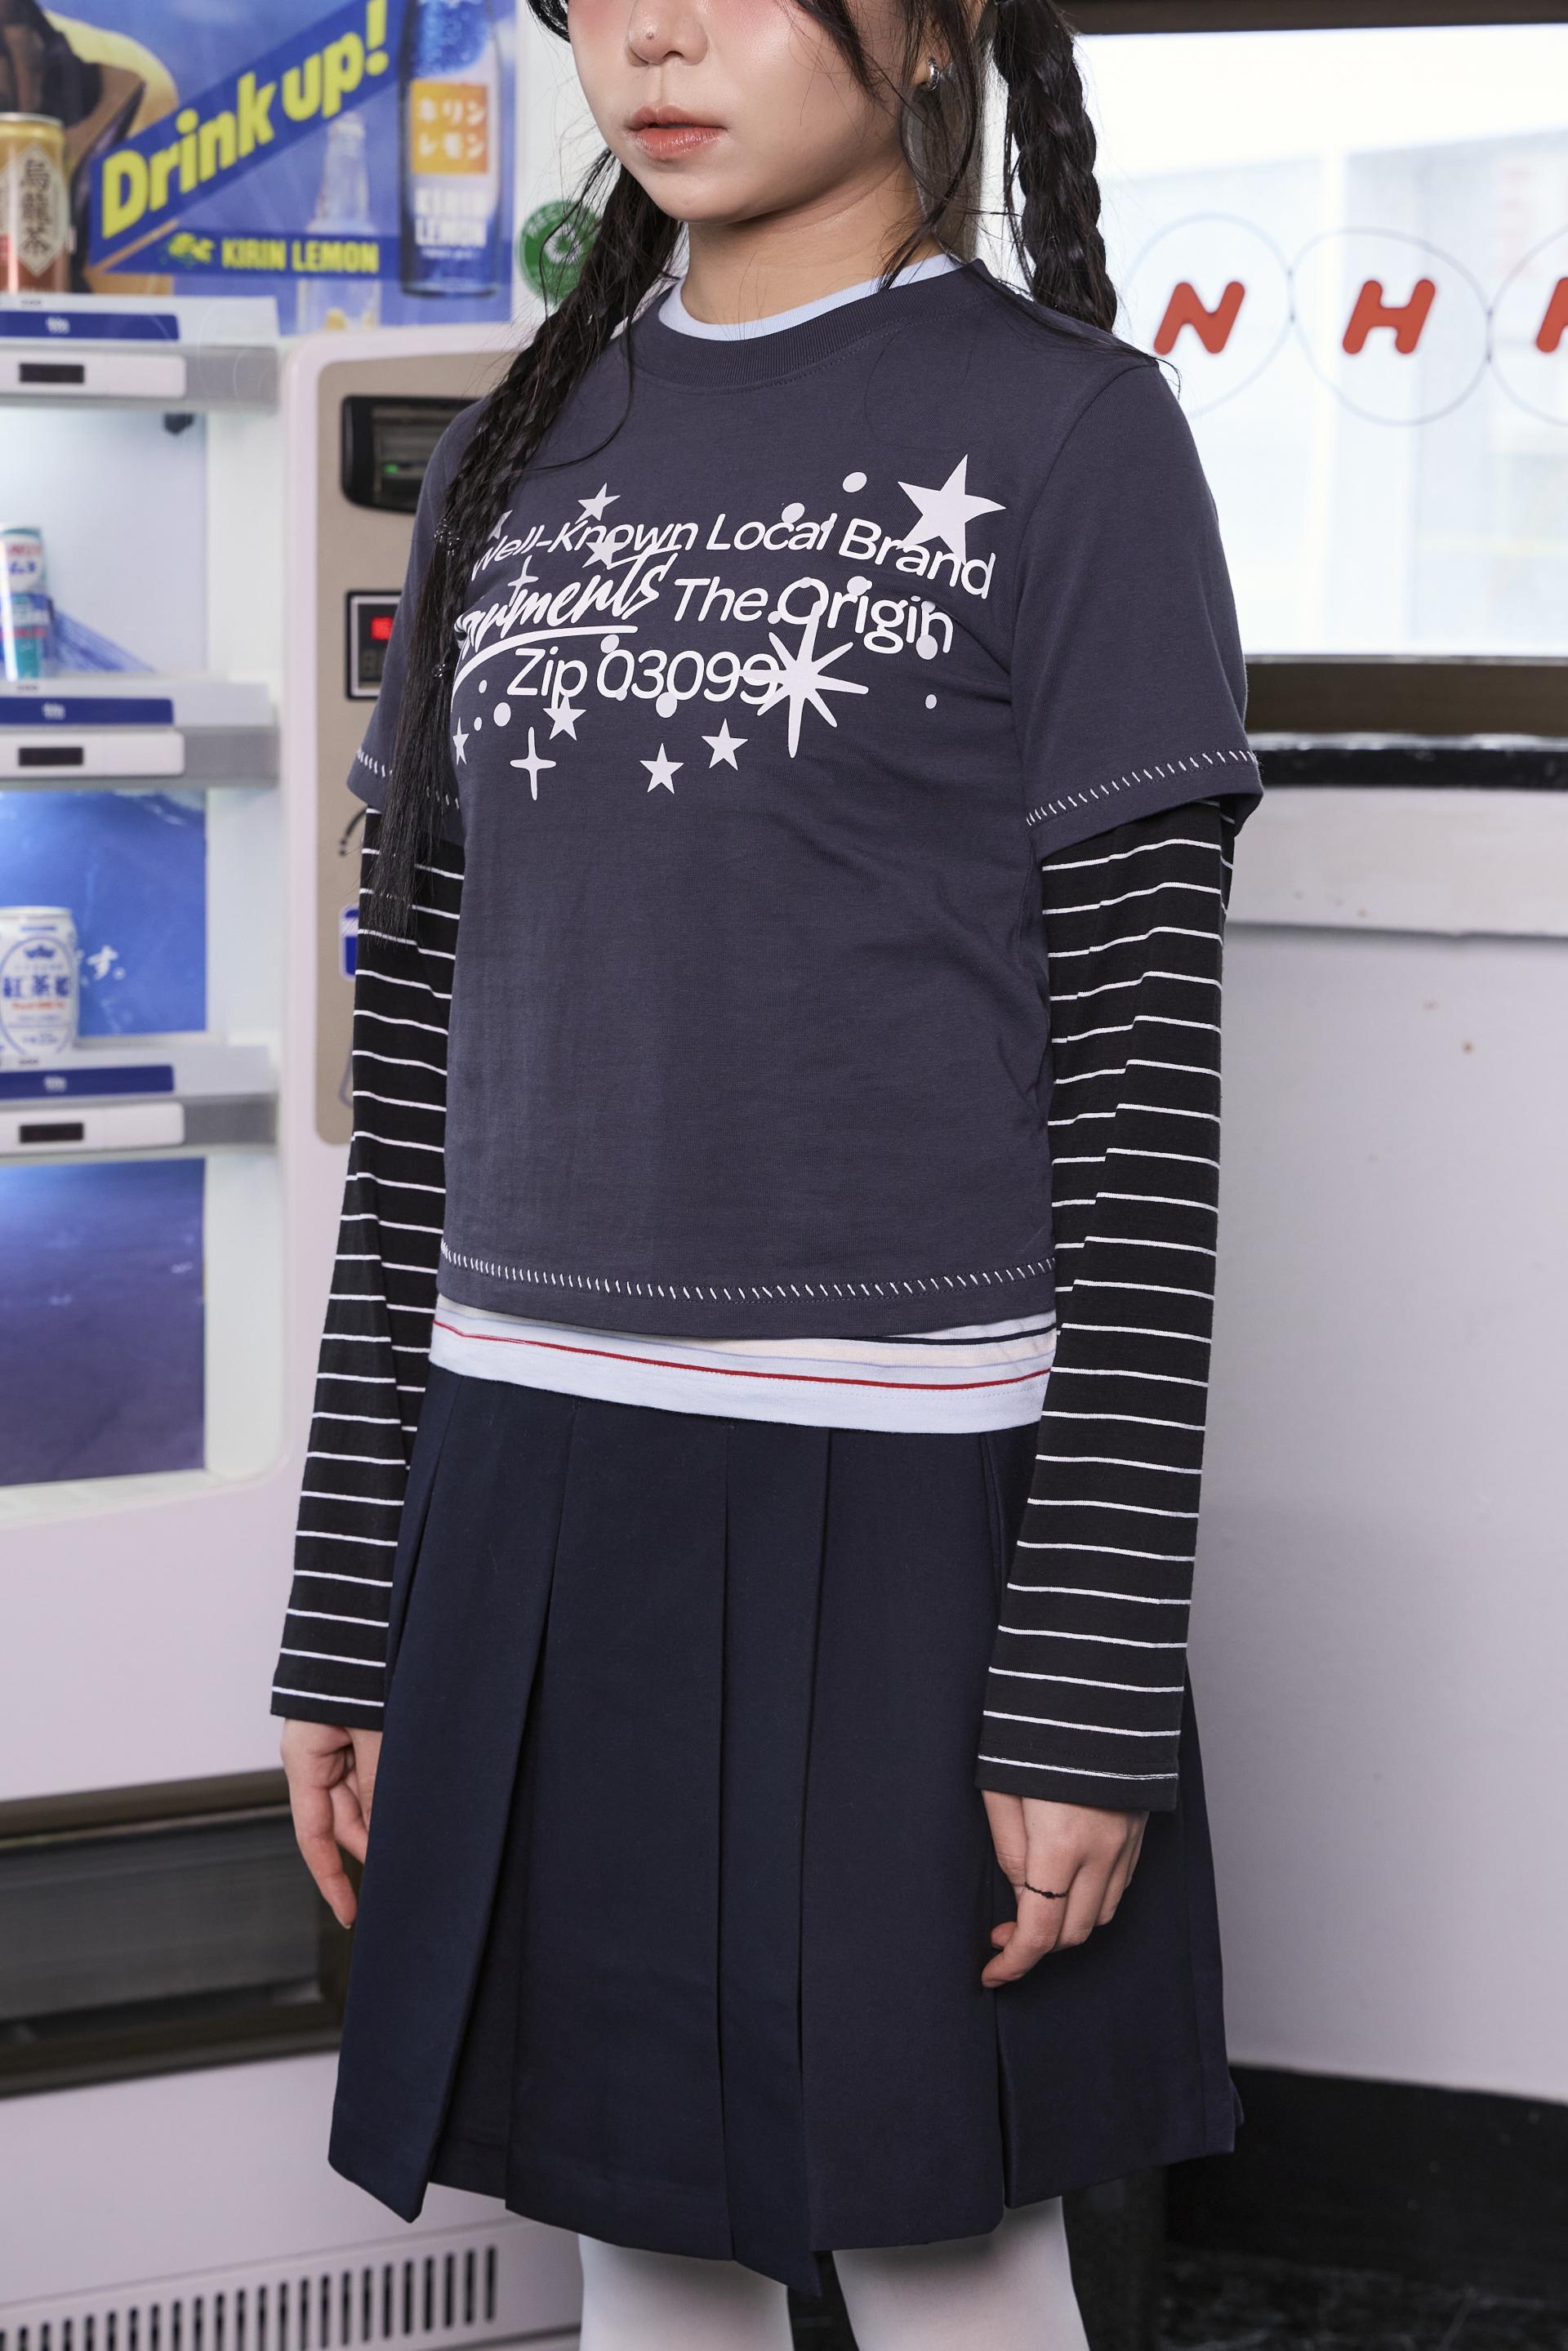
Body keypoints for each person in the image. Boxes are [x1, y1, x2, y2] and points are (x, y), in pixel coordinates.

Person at [270, 0, 1263, 2338]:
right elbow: (420, 1071)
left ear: (931, 29)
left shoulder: (1075, 433)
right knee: (633, 2238)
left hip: (914, 1497)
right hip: (529, 1476)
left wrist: (1091, 1677)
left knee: (952, 2257)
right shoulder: (517, 449)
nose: (656, 34)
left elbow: (1145, 1108)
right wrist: (350, 1600)